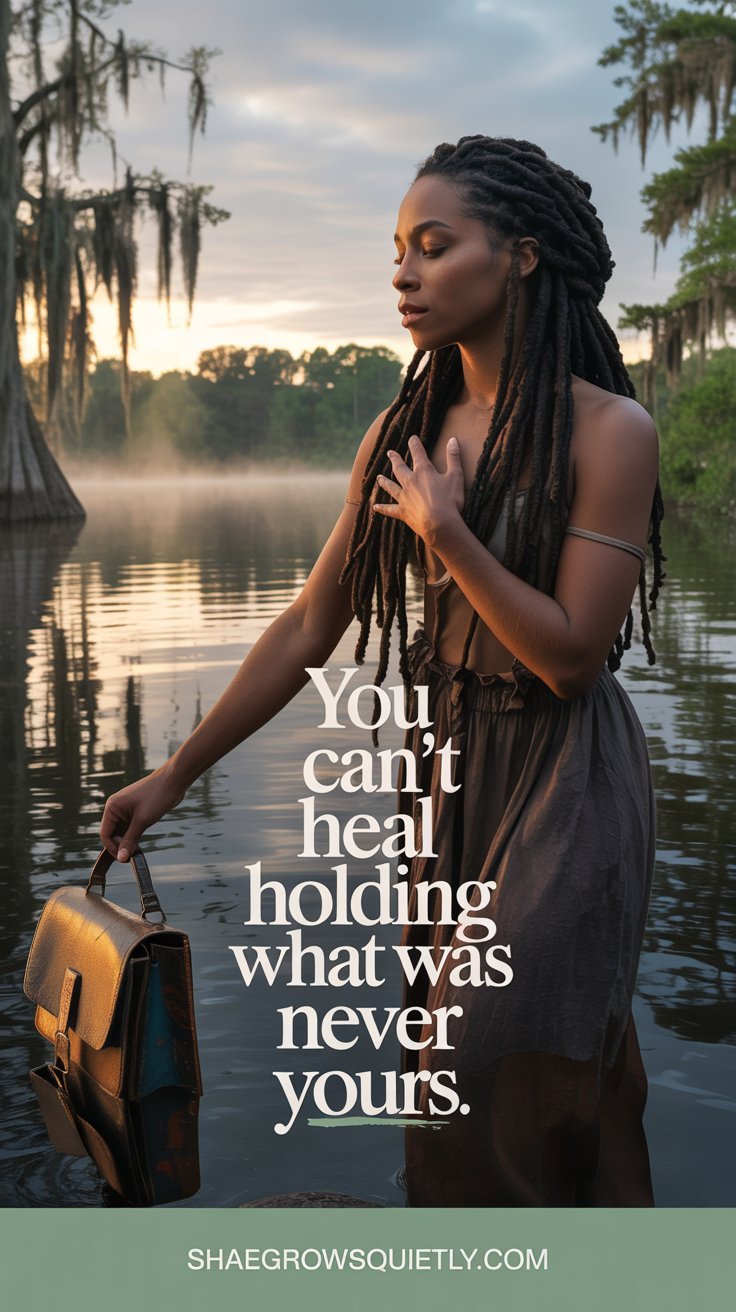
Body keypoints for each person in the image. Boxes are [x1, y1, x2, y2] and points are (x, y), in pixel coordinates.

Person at [100, 134, 665, 1207]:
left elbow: (570, 659)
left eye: (433, 245)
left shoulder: (610, 432)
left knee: (476, 1062)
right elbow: (312, 623)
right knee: (535, 1080)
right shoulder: (400, 432)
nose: (403, 273)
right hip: (447, 777)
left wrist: (449, 536)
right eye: (395, 251)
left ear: (523, 256)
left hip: (565, 783)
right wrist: (175, 774)